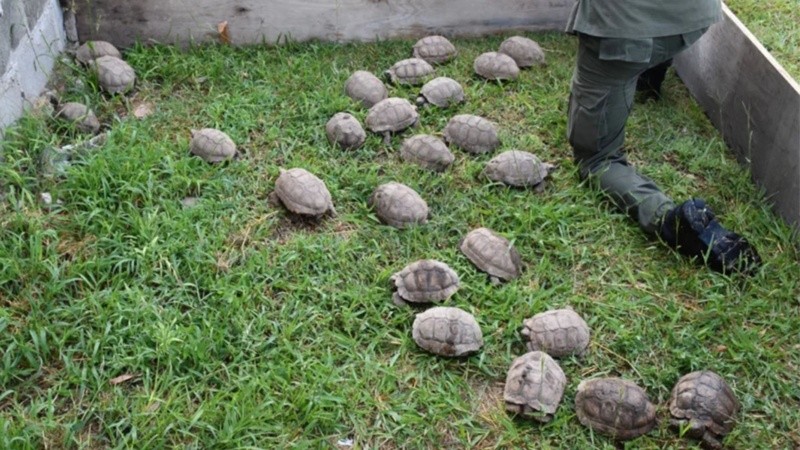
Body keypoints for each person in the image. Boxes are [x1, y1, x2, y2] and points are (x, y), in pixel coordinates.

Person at [564, 0, 761, 274]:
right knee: (654, 33)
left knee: (597, 159)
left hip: (624, 31)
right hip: (694, 18)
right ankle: (649, 75)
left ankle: (669, 220)